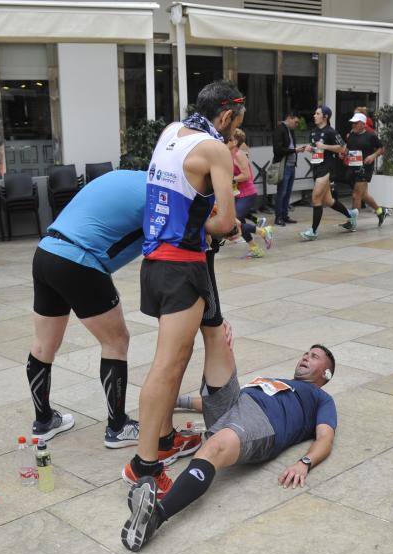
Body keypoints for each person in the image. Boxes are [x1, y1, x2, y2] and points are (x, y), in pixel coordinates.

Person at [123, 80, 243, 495]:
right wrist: (218, 227)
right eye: (233, 124)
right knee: (168, 363)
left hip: (155, 263)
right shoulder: (215, 150)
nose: (231, 133)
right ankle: (144, 467)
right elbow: (225, 222)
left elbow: (181, 198)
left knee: (178, 354)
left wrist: (202, 221)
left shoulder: (171, 132)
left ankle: (163, 438)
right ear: (225, 117)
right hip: (182, 265)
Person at [121, 340, 337, 552]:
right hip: (235, 401)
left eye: (315, 356)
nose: (306, 356)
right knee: (220, 342)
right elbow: (215, 401)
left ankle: (157, 516)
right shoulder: (277, 381)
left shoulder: (322, 398)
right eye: (307, 353)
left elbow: (325, 437)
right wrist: (177, 400)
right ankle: (210, 316)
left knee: (213, 448)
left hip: (262, 420)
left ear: (326, 374)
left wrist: (305, 463)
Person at [28, 170, 146, 447]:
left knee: (44, 346)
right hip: (80, 260)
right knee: (116, 340)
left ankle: (44, 421)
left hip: (46, 252)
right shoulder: (162, 193)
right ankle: (118, 427)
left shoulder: (124, 176)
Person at [301, 105, 357, 240]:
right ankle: (351, 215)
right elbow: (317, 149)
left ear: (325, 117)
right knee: (328, 200)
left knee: (315, 197)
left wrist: (325, 146)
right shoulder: (313, 132)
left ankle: (313, 231)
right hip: (317, 166)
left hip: (327, 167)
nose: (314, 115)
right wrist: (310, 148)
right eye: (315, 113)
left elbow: (343, 148)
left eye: (317, 113)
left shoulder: (331, 132)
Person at [228, 129, 273, 258]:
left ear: (235, 141)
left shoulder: (239, 155)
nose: (225, 140)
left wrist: (231, 178)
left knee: (233, 222)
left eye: (229, 138)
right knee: (239, 223)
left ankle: (264, 231)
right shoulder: (229, 154)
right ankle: (255, 248)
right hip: (236, 194)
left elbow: (246, 175)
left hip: (247, 194)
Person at [345, 112, 386, 227]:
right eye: (352, 123)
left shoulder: (371, 135)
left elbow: (382, 149)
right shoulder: (351, 135)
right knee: (363, 195)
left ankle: (352, 222)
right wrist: (344, 154)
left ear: (363, 124)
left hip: (365, 168)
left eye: (356, 123)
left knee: (356, 195)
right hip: (353, 166)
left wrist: (373, 156)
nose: (353, 125)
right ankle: (380, 211)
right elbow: (348, 148)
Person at [272, 112, 302, 226]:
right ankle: (278, 217)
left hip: (291, 165)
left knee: (288, 192)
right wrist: (295, 150)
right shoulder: (280, 129)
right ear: (289, 118)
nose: (297, 124)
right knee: (282, 192)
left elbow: (290, 147)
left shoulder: (290, 130)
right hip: (283, 166)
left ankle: (284, 215)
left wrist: (296, 150)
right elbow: (278, 149)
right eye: (296, 122)